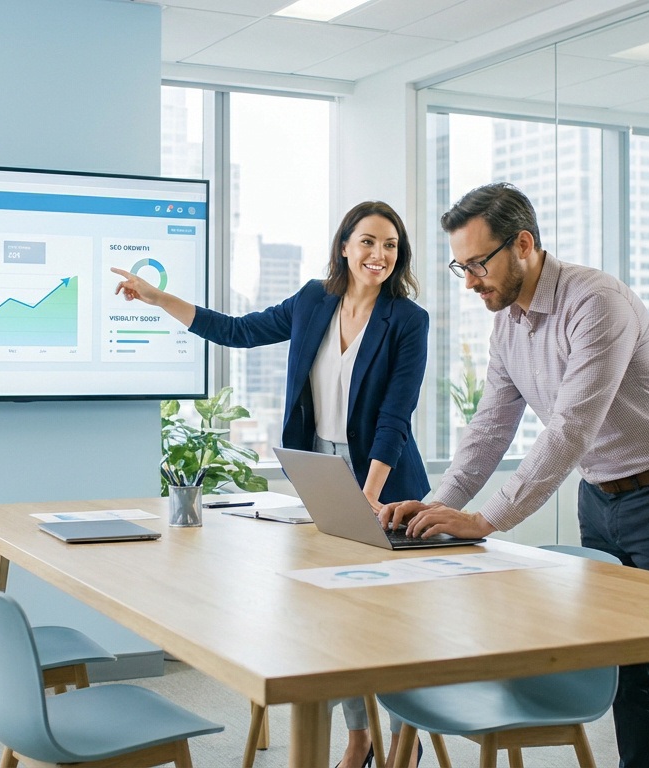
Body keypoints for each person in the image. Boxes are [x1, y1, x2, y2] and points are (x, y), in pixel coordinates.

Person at [379, 182, 649, 768]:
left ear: (523, 244)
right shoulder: (509, 322)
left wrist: (485, 519)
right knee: (625, 666)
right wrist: (433, 508)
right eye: (462, 267)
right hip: (599, 498)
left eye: (478, 263)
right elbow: (489, 429)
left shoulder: (596, 301)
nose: (471, 281)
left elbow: (570, 428)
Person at [112, 200, 427, 768]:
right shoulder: (313, 300)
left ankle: (404, 742)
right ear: (344, 245)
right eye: (368, 242)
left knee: (390, 624)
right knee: (335, 619)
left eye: (390, 246)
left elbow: (395, 418)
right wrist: (158, 299)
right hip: (323, 471)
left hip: (386, 477)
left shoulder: (407, 320)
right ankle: (361, 737)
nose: (378, 255)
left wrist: (369, 496)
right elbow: (237, 331)